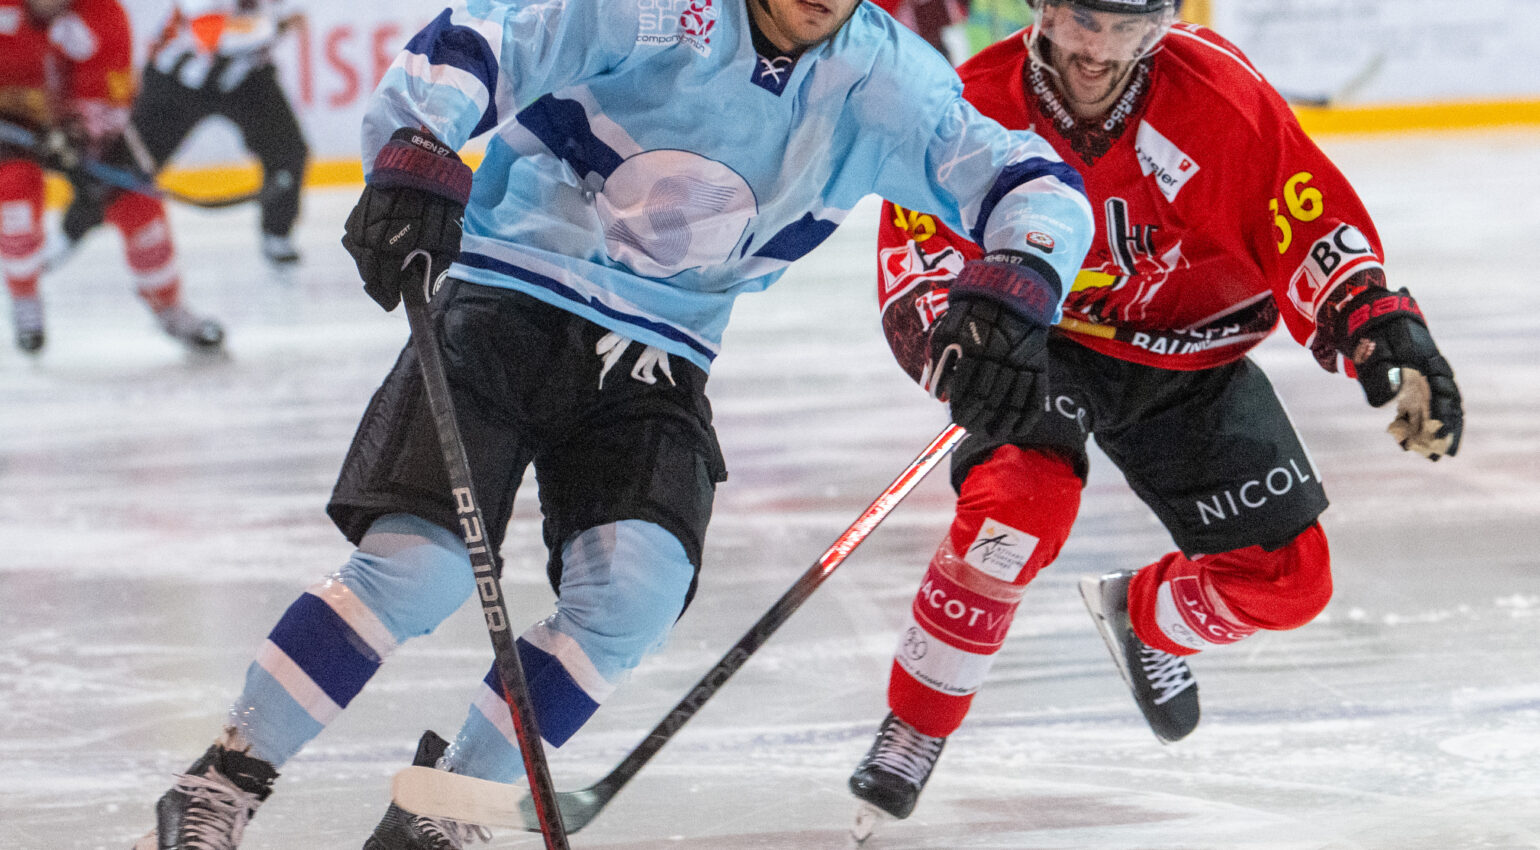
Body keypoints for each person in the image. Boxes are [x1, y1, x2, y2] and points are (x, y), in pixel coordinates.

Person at [128, 0, 1098, 847]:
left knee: (634, 594)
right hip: (508, 297)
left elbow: (1030, 183)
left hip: (660, 350)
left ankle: (442, 809)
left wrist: (1017, 282)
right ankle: (220, 784)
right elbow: (484, 37)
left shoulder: (888, 79)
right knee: (414, 571)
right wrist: (417, 148)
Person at [847, 0, 1464, 833]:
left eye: (1127, 28)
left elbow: (1306, 217)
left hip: (1186, 353)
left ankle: (1145, 620)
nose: (1096, 51)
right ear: (1040, 9)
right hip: (1045, 342)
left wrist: (1378, 323)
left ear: (1165, 23)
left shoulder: (1218, 97)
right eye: (1078, 19)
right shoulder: (971, 100)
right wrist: (952, 344)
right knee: (1016, 510)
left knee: (1289, 582)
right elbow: (917, 256)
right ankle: (915, 726)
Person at [0, 0, 225, 353]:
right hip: (11, 128)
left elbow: (111, 100)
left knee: (141, 206)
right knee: (14, 193)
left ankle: (169, 306)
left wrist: (78, 133)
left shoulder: (104, 14)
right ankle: (24, 297)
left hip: (84, 133)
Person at [53, 0, 310, 269]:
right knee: (127, 166)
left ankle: (277, 234)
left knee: (289, 150)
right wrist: (277, 25)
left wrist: (277, 22)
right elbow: (210, 35)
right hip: (176, 85)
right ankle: (69, 233)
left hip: (244, 77)